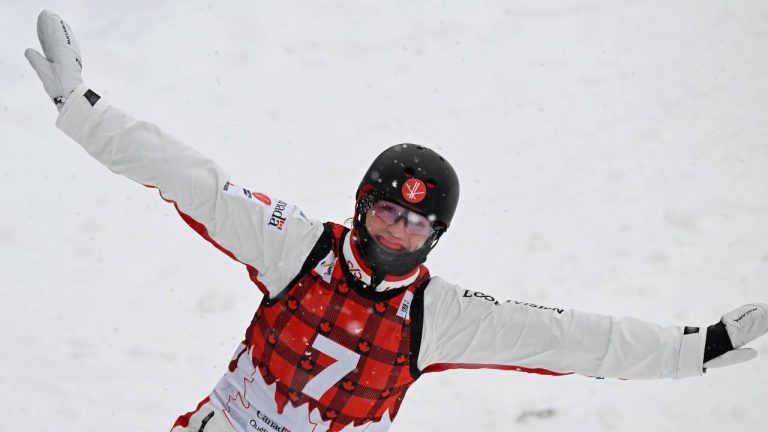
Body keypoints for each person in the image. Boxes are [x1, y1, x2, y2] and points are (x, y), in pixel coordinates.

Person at [26, 10, 768, 432]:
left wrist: (692, 350)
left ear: (436, 237)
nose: (395, 236)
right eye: (386, 214)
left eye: (416, 227)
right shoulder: (296, 248)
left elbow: (570, 338)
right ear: (360, 207)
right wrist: (83, 112)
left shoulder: (436, 315)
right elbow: (196, 184)